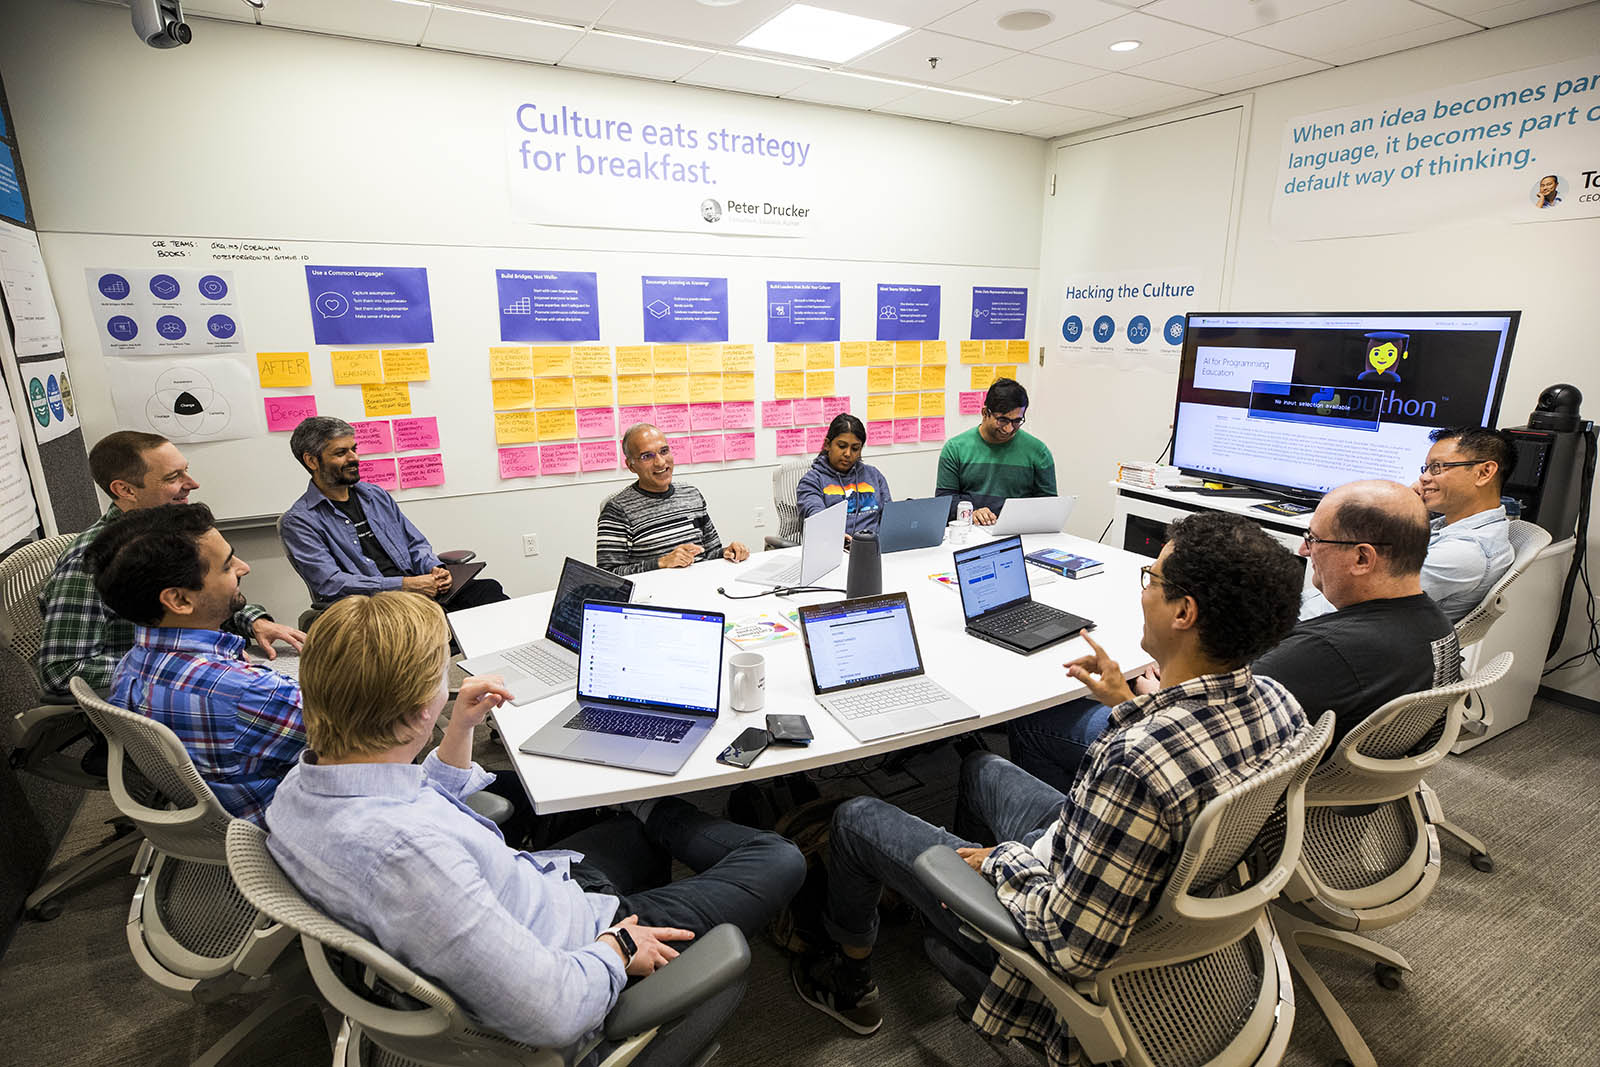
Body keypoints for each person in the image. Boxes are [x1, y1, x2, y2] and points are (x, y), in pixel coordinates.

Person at [793, 512, 1308, 1053]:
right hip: (1147, 894)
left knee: (853, 818)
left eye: (1151, 579)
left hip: (1063, 944)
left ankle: (852, 976)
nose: (1144, 591)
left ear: (1184, 612)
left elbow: (1072, 945)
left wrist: (998, 860)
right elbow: (1188, 762)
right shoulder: (1280, 704)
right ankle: (942, 903)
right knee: (982, 769)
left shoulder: (1136, 763)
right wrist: (1130, 703)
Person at [265, 591, 804, 1059]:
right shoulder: (409, 857)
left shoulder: (305, 785)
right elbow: (551, 1010)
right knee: (781, 858)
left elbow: (411, 799)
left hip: (545, 886)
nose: (447, 687)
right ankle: (665, 811)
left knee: (626, 830)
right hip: (585, 943)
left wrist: (458, 731)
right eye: (440, 679)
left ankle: (649, 811)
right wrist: (618, 947)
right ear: (413, 714)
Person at [1008, 481, 1460, 791]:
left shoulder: (1322, 653)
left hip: (1217, 785)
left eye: (1315, 538)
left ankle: (1083, 821)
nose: (1304, 549)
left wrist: (1135, 700)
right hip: (1318, 790)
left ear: (1362, 558)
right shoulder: (1435, 625)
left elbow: (1208, 726)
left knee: (1032, 721)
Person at [35, 430, 302, 700]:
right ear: (125, 490)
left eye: (186, 471)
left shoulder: (169, 532)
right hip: (161, 695)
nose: (193, 483)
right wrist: (184, 664)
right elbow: (63, 671)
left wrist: (252, 620)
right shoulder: (90, 562)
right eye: (173, 477)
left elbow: (201, 596)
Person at [88, 503, 304, 824]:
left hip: (215, 817)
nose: (244, 568)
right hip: (281, 826)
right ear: (179, 600)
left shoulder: (130, 667)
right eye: (228, 567)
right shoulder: (245, 691)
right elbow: (373, 728)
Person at [280, 416, 507, 610]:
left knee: (490, 592)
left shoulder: (374, 495)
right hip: (377, 607)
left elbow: (415, 544)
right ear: (312, 461)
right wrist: (406, 584)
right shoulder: (300, 521)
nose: (354, 458)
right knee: (451, 622)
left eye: (354, 449)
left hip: (419, 591)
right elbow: (331, 583)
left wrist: (434, 569)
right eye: (341, 453)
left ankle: (519, 661)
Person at [596, 423, 749, 574]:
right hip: (655, 595)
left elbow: (711, 553)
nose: (660, 462)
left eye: (664, 451)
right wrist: (661, 563)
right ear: (631, 466)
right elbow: (609, 576)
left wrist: (727, 553)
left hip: (702, 587)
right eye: (647, 456)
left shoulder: (691, 494)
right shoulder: (617, 510)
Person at [1413, 426, 1517, 622]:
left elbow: (1361, 602)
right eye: (1426, 468)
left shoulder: (1464, 552)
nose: (1424, 477)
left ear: (1484, 472)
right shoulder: (1448, 525)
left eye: (1437, 467)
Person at [935, 378, 1056, 525]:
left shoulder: (1038, 452)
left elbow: (1049, 508)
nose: (1009, 429)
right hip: (970, 533)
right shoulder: (955, 449)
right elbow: (944, 502)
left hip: (1019, 533)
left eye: (1017, 421)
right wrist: (971, 513)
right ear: (985, 413)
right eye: (1002, 420)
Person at [796, 413, 892, 539]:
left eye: (855, 448)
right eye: (842, 446)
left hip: (874, 549)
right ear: (827, 445)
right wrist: (836, 536)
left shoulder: (874, 475)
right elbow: (816, 515)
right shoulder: (812, 481)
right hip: (833, 547)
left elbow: (889, 518)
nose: (848, 453)